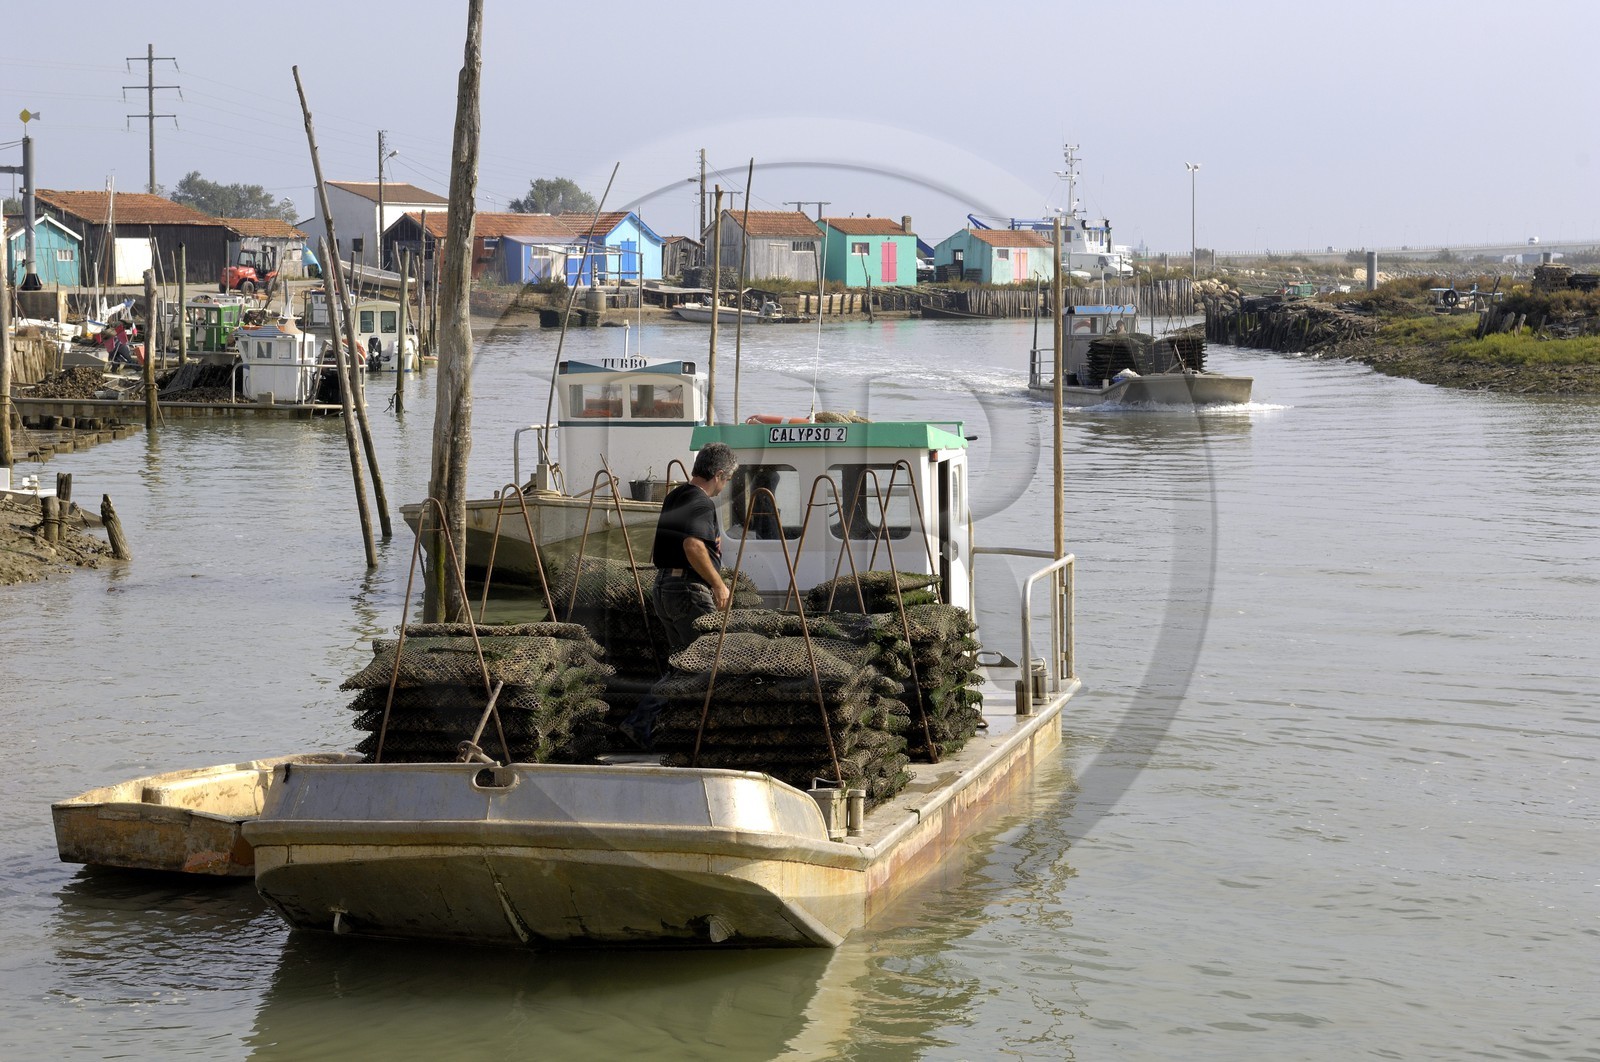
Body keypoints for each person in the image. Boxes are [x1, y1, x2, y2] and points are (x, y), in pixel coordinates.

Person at [620, 442, 738, 749]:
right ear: (720, 475)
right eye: (727, 480)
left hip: (665, 588)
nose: (725, 487)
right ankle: (643, 722)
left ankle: (650, 727)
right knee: (705, 661)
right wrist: (718, 584)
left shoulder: (676, 495)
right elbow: (693, 546)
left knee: (682, 662)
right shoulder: (701, 503)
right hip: (687, 591)